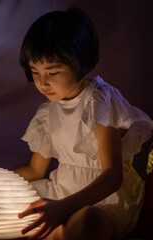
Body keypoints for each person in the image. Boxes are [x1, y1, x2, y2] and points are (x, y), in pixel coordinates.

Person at [15, 7, 153, 240]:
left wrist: (63, 208)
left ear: (79, 62)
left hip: (103, 199)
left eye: (53, 72)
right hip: (61, 191)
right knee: (9, 206)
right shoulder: (48, 111)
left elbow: (113, 175)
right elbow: (35, 170)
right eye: (35, 72)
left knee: (86, 222)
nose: (42, 83)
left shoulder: (99, 99)